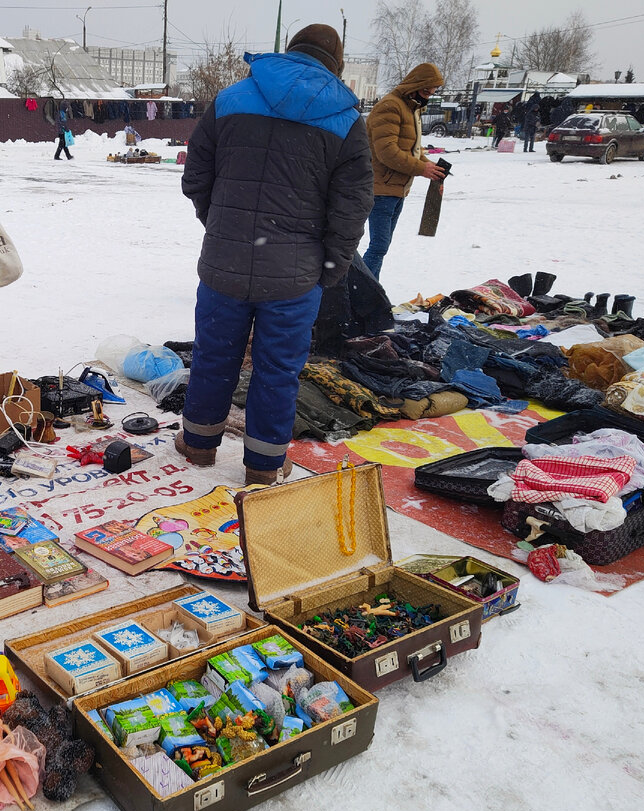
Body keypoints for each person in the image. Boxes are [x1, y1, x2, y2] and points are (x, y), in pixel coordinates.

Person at [177, 25, 373, 486]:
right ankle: (264, 466)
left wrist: (222, 224)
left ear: (290, 52)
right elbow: (351, 208)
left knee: (214, 355)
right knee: (278, 369)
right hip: (294, 274)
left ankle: (199, 445)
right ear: (336, 64)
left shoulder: (230, 99)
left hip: (224, 263)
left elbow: (195, 176)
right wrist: (331, 267)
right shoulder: (346, 118)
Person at [361, 62, 446, 279]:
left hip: (397, 189)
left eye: (432, 92)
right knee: (378, 247)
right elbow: (387, 152)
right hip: (381, 189)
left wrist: (431, 167)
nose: (428, 96)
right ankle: (361, 294)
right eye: (425, 91)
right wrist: (421, 168)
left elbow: (411, 149)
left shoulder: (411, 109)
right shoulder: (390, 106)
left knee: (381, 247)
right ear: (414, 85)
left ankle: (370, 294)